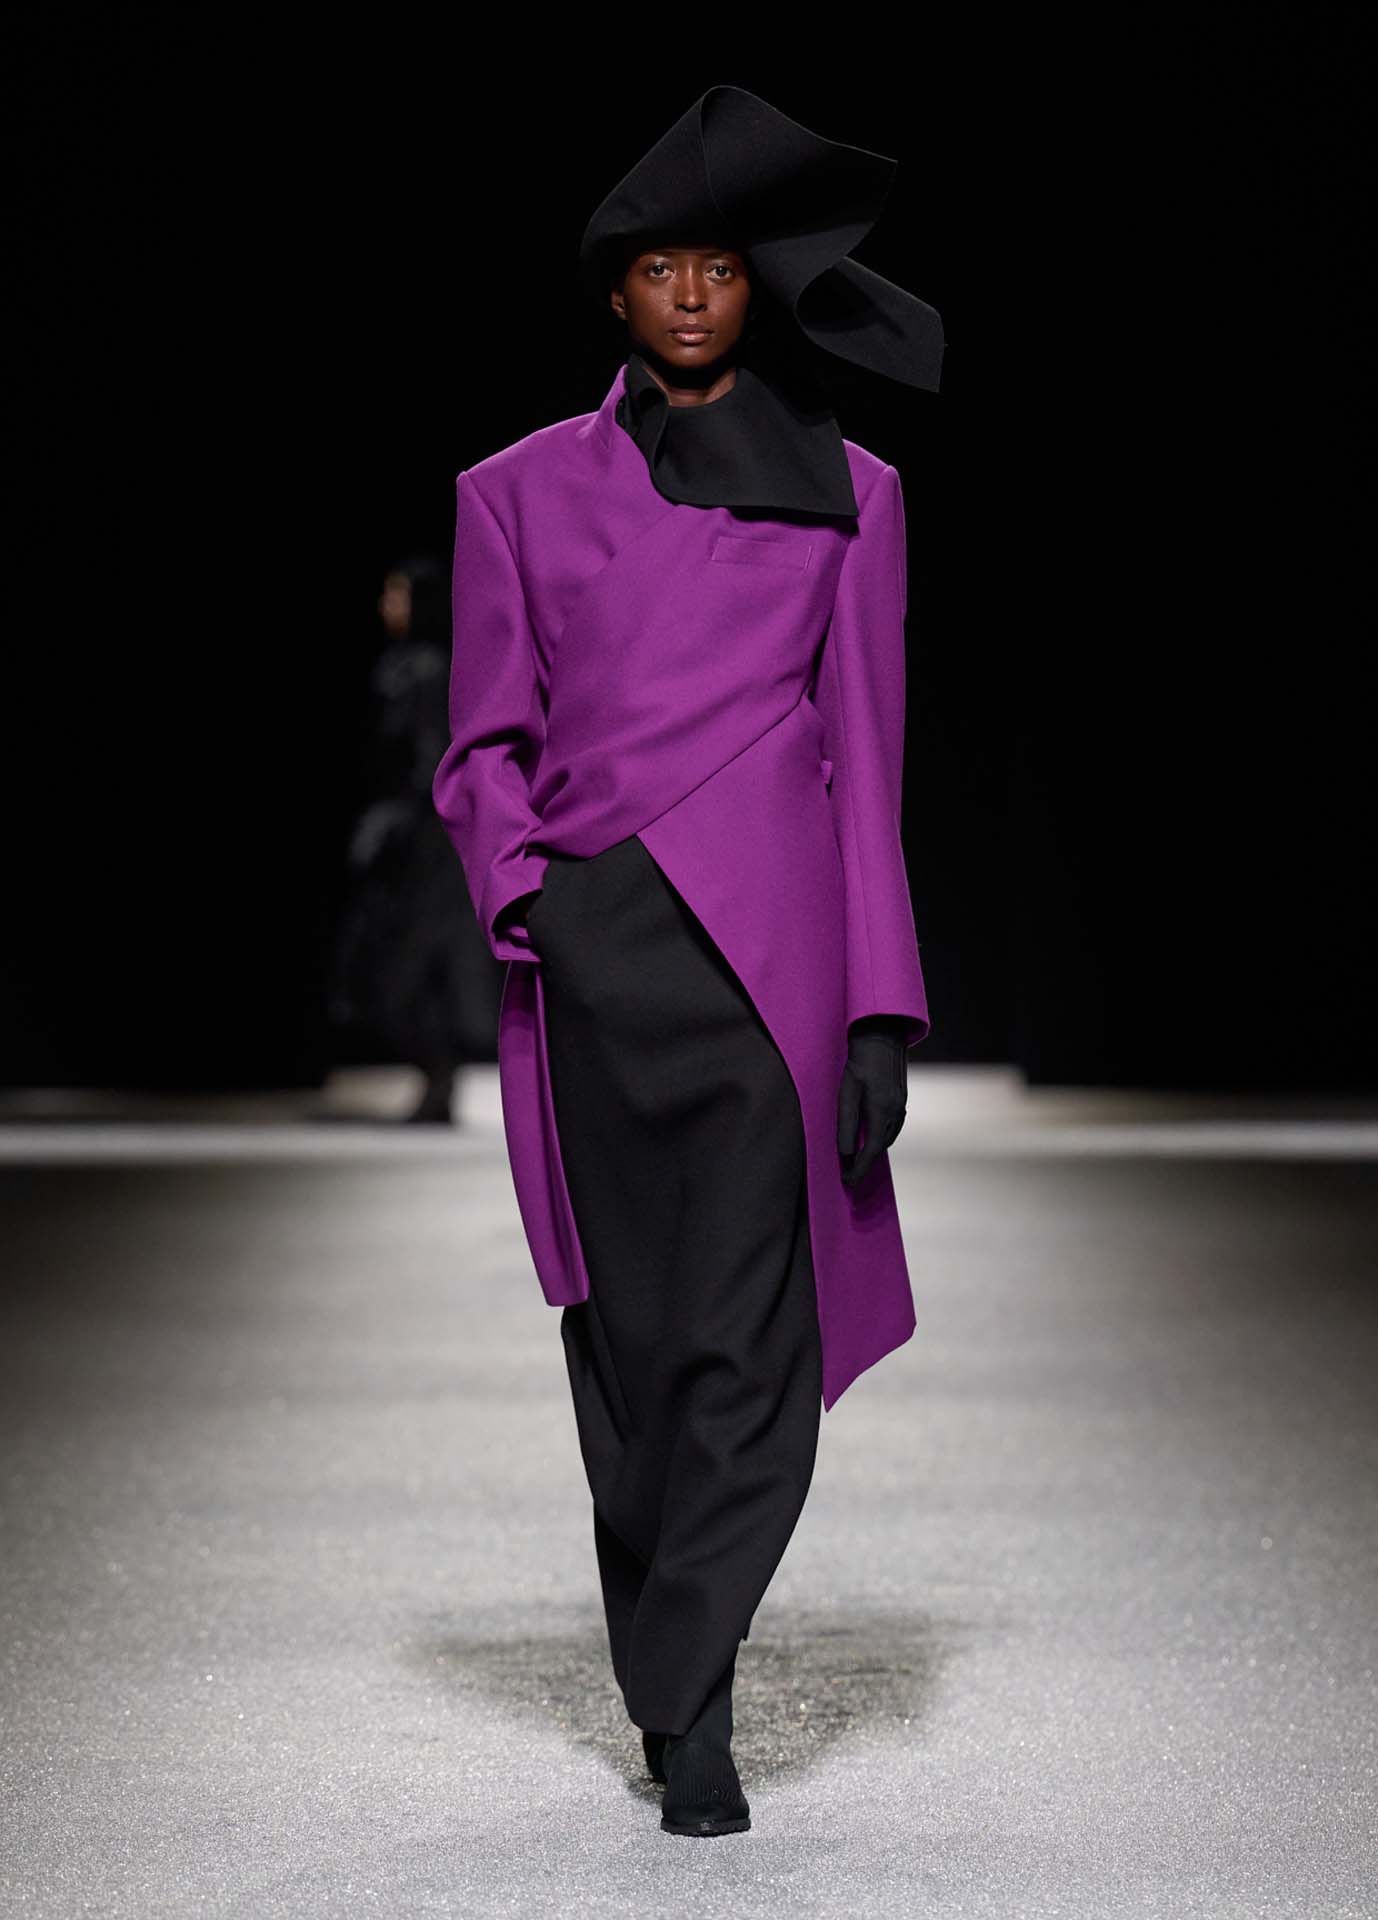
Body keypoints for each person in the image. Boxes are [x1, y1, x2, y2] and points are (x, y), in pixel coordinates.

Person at [432, 84, 945, 1836]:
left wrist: (877, 1009)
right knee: (635, 1351)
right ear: (616, 294)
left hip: (769, 969)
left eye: (721, 267)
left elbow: (866, 758)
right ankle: (674, 1668)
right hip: (599, 964)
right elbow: (480, 744)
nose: (693, 295)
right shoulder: (510, 494)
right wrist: (529, 900)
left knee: (749, 1344)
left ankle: (692, 1695)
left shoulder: (853, 496)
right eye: (661, 269)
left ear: (753, 287)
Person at [330, 554, 504, 1121]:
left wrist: (403, 824)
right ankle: (436, 1079)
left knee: (407, 966)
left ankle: (439, 1079)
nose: (388, 605)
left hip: (425, 843)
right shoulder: (404, 667)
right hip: (408, 839)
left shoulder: (428, 672)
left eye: (398, 594)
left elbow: (431, 763)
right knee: (399, 969)